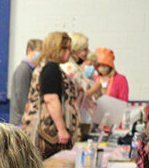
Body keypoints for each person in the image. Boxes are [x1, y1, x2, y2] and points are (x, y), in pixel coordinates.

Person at [20, 31, 79, 159]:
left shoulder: (46, 67)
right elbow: (51, 99)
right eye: (66, 48)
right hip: (48, 134)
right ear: (56, 48)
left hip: (45, 132)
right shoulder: (51, 68)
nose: (69, 52)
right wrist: (61, 130)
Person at [62, 32, 97, 138]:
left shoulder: (72, 68)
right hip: (70, 121)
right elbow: (86, 91)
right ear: (74, 51)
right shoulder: (71, 69)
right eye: (85, 49)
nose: (88, 52)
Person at [9, 38, 42, 124]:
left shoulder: (31, 69)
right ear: (29, 50)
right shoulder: (24, 69)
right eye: (39, 52)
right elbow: (22, 97)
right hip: (21, 121)